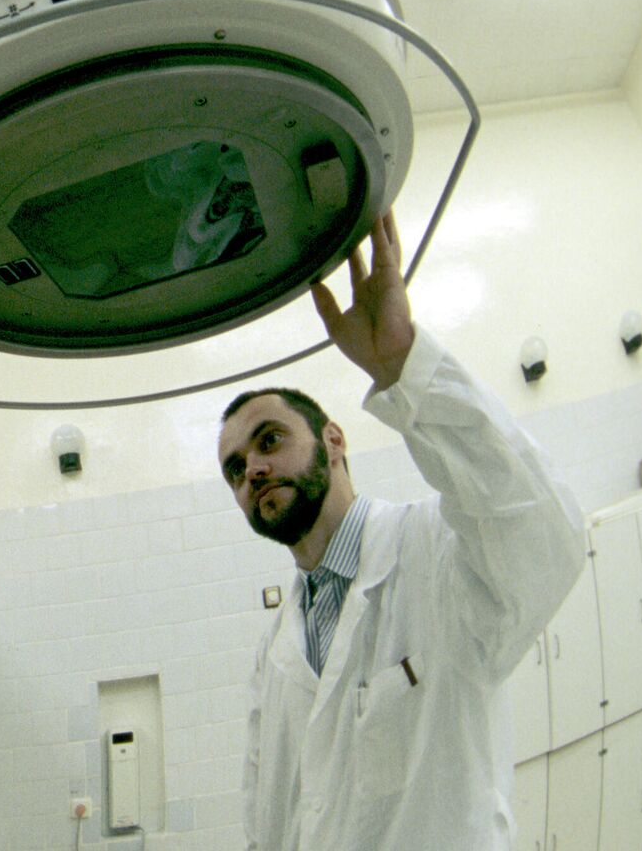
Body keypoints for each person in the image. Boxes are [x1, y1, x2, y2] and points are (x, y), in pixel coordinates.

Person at [216, 212, 586, 850]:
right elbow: (266, 814)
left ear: (334, 441)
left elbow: (543, 534)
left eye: (269, 440)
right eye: (235, 468)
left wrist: (402, 365)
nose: (252, 470)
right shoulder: (275, 650)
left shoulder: (440, 557)